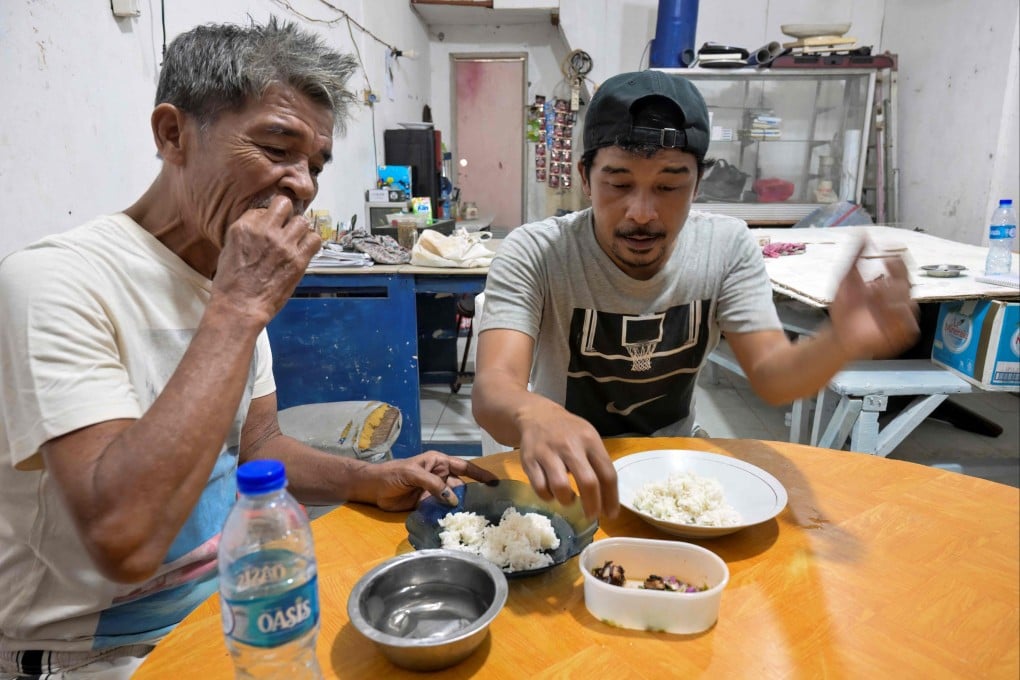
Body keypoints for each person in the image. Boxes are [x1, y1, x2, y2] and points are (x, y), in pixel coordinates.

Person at [0, 18, 493, 678]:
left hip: (236, 605)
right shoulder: (58, 282)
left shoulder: (227, 273)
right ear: (172, 133)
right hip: (91, 653)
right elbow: (126, 541)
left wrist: (371, 479)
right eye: (276, 147)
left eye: (315, 165)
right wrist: (238, 308)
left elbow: (258, 448)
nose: (304, 185)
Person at [472, 70, 918, 521]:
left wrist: (839, 340)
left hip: (676, 470)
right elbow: (493, 390)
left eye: (669, 185)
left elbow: (772, 375)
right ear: (586, 177)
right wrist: (531, 412)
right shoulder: (537, 250)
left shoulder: (726, 247)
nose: (642, 213)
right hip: (568, 472)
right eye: (619, 183)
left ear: (698, 182)